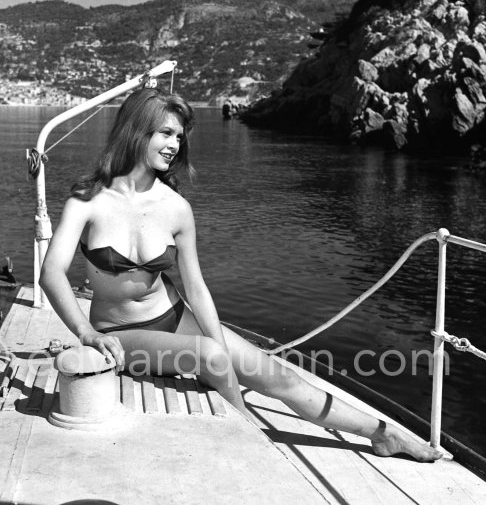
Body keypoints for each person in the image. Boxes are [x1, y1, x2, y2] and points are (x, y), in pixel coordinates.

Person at [40, 87, 442, 462]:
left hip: (177, 316)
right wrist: (86, 333)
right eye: (166, 132)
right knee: (210, 356)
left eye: (180, 136)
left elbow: (195, 288)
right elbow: (52, 273)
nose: (175, 145)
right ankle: (254, 437)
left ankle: (380, 432)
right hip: (118, 334)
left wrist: (223, 352)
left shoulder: (176, 208)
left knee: (277, 376)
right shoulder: (87, 201)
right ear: (136, 131)